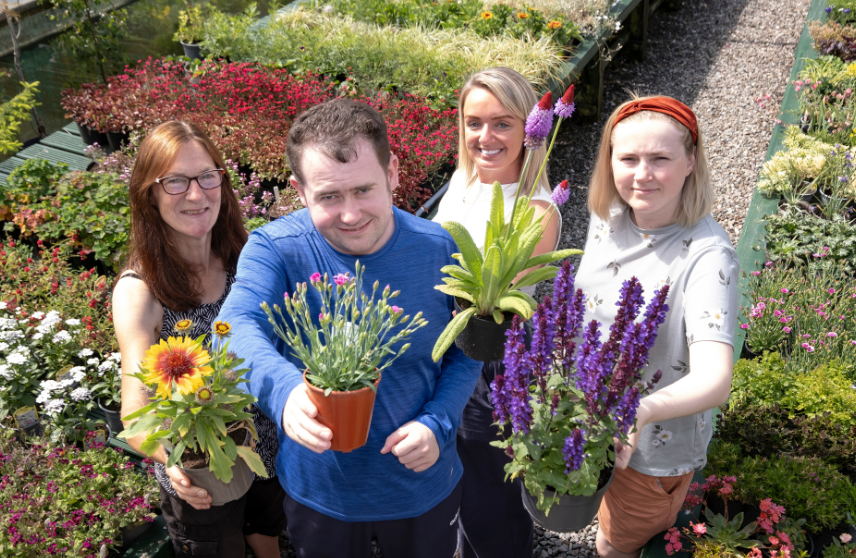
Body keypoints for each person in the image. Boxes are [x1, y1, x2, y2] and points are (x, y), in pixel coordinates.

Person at [215, 98, 483, 558]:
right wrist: (284, 391)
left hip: (421, 484)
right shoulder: (276, 249)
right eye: (329, 196)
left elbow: (467, 349)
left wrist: (438, 422)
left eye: (363, 190)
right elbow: (233, 325)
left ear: (393, 173)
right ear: (300, 193)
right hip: (322, 496)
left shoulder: (439, 249)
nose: (351, 214)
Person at [572, 96, 738, 558]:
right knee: (589, 510)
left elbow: (715, 378)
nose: (642, 174)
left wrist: (639, 411)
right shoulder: (608, 216)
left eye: (660, 158)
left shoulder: (708, 257)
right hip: (585, 412)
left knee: (616, 543)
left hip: (648, 449)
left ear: (690, 162)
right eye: (628, 158)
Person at [113, 121, 286, 558]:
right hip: (200, 469)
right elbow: (134, 414)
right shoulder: (142, 290)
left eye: (208, 176)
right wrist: (173, 466)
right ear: (148, 194)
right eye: (175, 181)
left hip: (267, 450)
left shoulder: (245, 259)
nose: (196, 194)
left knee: (268, 537)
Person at [431, 67, 563, 558]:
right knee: (453, 484)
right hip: (444, 346)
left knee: (492, 494)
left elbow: (495, 304)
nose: (484, 137)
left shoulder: (536, 210)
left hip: (490, 360)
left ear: (530, 130)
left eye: (502, 123)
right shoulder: (464, 183)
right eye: (473, 122)